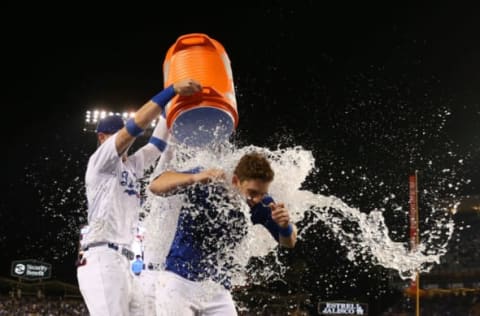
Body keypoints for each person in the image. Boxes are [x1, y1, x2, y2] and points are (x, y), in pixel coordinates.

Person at [76, 78, 202, 316]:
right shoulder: (100, 161)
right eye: (116, 135)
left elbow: (156, 145)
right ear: (103, 138)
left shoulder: (132, 165)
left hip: (128, 264)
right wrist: (171, 91)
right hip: (102, 257)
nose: (127, 139)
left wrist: (169, 110)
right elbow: (135, 128)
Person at [149, 152, 297, 316]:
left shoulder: (263, 204)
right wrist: (194, 178)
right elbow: (155, 186)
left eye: (262, 193)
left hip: (216, 287)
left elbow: (288, 243)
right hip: (179, 280)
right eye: (253, 192)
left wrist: (285, 226)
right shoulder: (208, 181)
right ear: (235, 181)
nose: (256, 199)